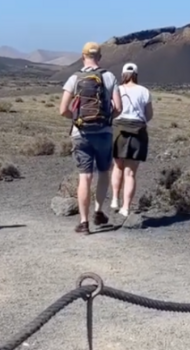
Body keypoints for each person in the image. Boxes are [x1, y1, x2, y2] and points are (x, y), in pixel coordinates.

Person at [58, 42, 122, 234]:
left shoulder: (74, 78)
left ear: (82, 56)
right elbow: (118, 108)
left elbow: (62, 110)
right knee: (103, 173)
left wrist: (77, 119)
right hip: (104, 134)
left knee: (84, 177)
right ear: (100, 57)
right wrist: (106, 120)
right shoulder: (109, 77)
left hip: (81, 134)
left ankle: (84, 223)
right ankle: (98, 211)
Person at [109, 63, 153, 217]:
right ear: (136, 74)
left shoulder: (117, 90)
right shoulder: (145, 91)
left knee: (117, 166)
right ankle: (126, 207)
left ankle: (115, 198)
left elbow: (112, 109)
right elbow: (149, 114)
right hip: (138, 131)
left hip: (119, 129)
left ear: (123, 74)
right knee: (130, 173)